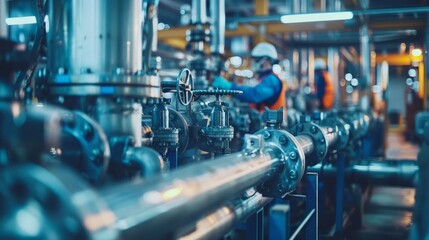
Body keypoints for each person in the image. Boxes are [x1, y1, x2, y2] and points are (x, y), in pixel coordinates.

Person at [212, 42, 286, 115]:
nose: (253, 62)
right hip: (265, 123)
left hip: (273, 125)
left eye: (256, 59)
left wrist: (230, 86)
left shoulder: (271, 80)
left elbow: (254, 95)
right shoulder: (264, 78)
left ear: (266, 61)